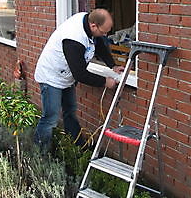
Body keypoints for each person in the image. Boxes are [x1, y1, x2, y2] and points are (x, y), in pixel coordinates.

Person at [34, 9, 124, 150]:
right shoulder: (73, 39)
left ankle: (78, 147)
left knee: (70, 112)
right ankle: (40, 153)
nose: (105, 35)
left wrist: (113, 65)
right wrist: (105, 82)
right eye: (104, 31)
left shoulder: (88, 22)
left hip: (66, 76)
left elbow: (99, 43)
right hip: (51, 76)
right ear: (94, 25)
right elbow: (81, 74)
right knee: (50, 118)